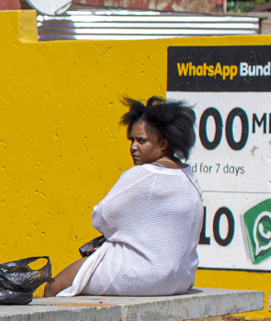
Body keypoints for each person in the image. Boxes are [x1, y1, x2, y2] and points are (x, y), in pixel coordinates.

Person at [45, 97, 203, 297]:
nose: (133, 147)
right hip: (181, 278)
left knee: (53, 286)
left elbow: (101, 217)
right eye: (132, 140)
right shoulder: (189, 177)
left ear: (163, 144)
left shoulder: (143, 174)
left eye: (142, 141)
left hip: (141, 276)